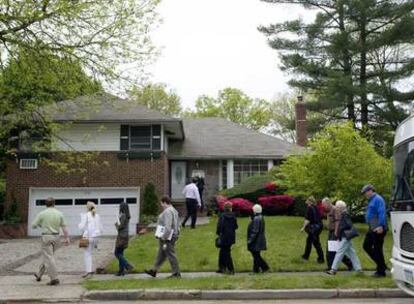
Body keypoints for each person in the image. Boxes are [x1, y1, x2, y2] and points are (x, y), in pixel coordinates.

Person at [31, 197, 70, 286]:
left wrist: (42, 225)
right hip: (56, 237)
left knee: (49, 257)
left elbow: (33, 225)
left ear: (46, 204)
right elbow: (64, 227)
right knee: (49, 256)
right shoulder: (59, 213)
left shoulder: (42, 214)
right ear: (54, 204)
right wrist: (67, 238)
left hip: (46, 237)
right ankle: (39, 274)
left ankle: (54, 278)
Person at [145, 195, 181, 278]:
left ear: (164, 202)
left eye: (161, 203)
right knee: (161, 254)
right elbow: (177, 225)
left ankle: (176, 273)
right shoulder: (174, 210)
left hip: (167, 237)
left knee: (171, 254)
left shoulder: (167, 211)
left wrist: (164, 237)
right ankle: (154, 270)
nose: (161, 205)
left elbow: (168, 227)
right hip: (172, 235)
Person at [326, 200, 362, 275]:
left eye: (337, 207)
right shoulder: (344, 214)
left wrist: (340, 230)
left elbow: (348, 225)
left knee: (339, 252)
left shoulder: (345, 215)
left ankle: (333, 269)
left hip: (345, 236)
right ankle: (358, 269)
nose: (336, 208)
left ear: (340, 208)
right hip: (346, 236)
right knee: (352, 253)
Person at [361, 184, 388, 277]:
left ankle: (381, 271)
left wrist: (381, 226)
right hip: (373, 226)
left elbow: (382, 212)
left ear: (370, 190)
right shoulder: (371, 200)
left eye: (365, 192)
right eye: (364, 193)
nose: (365, 194)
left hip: (378, 227)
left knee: (377, 249)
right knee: (366, 246)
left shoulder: (378, 199)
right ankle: (382, 265)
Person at [322, 198, 353, 271]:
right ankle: (347, 264)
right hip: (331, 232)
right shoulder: (329, 210)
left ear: (328, 203)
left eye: (324, 205)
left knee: (332, 250)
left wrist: (336, 232)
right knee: (334, 250)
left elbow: (337, 221)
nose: (323, 206)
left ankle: (332, 267)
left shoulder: (334, 209)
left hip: (334, 232)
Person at [78, 201, 103, 278]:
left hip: (89, 237)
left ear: (87, 208)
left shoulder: (86, 215)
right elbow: (101, 228)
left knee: (87, 254)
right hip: (96, 237)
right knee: (90, 253)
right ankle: (89, 270)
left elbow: (81, 227)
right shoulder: (97, 216)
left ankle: (89, 271)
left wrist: (79, 223)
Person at [216, 201, 238, 274]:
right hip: (231, 236)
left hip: (224, 236)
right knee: (223, 252)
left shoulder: (222, 216)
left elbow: (220, 227)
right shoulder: (233, 216)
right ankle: (222, 267)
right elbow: (236, 226)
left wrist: (219, 233)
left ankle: (230, 269)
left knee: (226, 253)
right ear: (230, 208)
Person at [301, 196, 324, 263]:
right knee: (311, 242)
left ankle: (320, 258)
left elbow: (308, 219)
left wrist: (303, 227)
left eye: (307, 200)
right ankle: (306, 256)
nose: (306, 201)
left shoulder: (309, 208)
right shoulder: (316, 207)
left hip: (313, 228)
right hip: (318, 227)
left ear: (310, 201)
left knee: (315, 243)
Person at [247, 204, 269, 273]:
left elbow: (255, 231)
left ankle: (264, 267)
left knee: (256, 256)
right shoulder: (260, 217)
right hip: (260, 240)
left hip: (256, 241)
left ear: (254, 211)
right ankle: (256, 270)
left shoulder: (256, 218)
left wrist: (250, 240)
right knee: (256, 255)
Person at [114, 202, 134, 276]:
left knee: (116, 253)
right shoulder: (127, 216)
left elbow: (120, 226)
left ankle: (128, 265)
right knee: (121, 253)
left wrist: (116, 224)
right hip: (125, 236)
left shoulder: (123, 216)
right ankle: (121, 271)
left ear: (122, 208)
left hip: (122, 236)